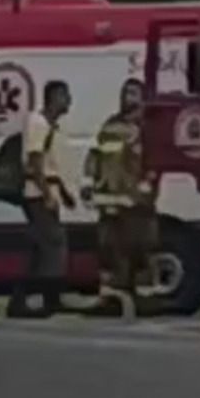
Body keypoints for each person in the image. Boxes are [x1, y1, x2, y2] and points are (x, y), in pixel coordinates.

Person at [81, 78, 159, 317]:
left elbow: (155, 162)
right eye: (126, 92)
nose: (128, 97)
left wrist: (146, 189)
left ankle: (145, 301)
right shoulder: (110, 126)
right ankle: (109, 300)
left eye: (134, 93)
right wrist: (88, 184)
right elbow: (94, 157)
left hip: (136, 204)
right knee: (109, 252)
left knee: (141, 251)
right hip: (108, 201)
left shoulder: (149, 128)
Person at [7, 80, 76, 317]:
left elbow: (50, 164)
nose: (69, 101)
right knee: (54, 244)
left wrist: (64, 194)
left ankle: (39, 300)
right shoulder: (38, 123)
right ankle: (47, 299)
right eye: (65, 96)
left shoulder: (51, 126)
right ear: (54, 97)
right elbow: (36, 162)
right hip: (38, 195)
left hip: (47, 192)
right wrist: (47, 194)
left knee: (44, 248)